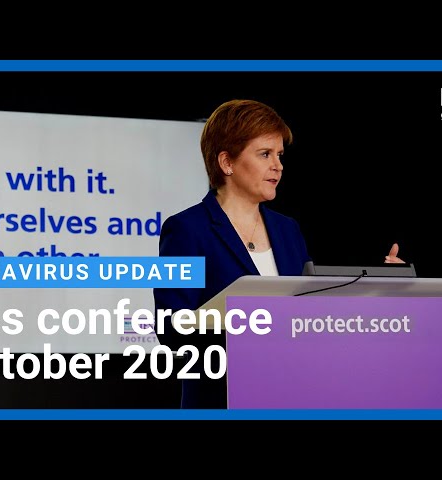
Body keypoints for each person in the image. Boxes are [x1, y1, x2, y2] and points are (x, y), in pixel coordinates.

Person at [153, 99, 404, 409]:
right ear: (227, 162)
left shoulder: (288, 230)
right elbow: (171, 329)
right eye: (265, 154)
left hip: (291, 397)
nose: (278, 165)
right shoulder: (187, 229)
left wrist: (381, 285)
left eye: (280, 155)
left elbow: (312, 312)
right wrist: (248, 328)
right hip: (222, 401)